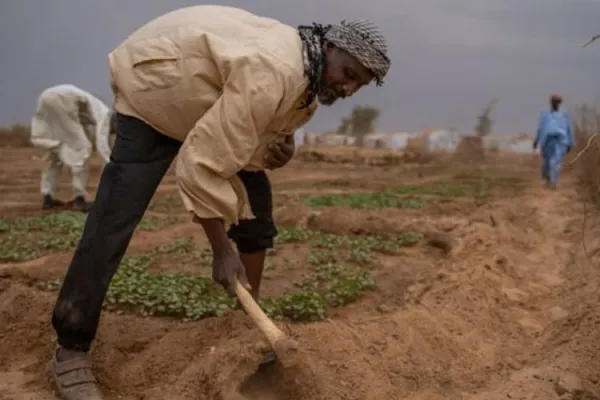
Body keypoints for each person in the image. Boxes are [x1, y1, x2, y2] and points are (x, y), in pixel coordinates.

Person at [47, 5, 390, 399]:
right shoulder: (274, 70)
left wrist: (280, 152)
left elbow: (258, 136)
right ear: (330, 47)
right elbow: (203, 161)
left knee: (257, 204)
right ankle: (70, 347)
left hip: (207, 101)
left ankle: (247, 320)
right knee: (115, 215)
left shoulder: (310, 86)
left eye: (358, 85)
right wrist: (221, 250)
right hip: (157, 91)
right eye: (348, 75)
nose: (348, 89)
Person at [30, 84, 117, 212]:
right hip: (64, 99)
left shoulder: (91, 112)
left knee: (56, 153)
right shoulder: (105, 114)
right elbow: (102, 146)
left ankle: (47, 196)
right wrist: (112, 166)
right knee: (83, 150)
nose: (112, 133)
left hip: (45, 96)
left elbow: (80, 129)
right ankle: (79, 199)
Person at [533, 94, 574, 189]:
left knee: (555, 161)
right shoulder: (545, 113)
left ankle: (554, 182)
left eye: (557, 101)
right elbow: (541, 127)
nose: (555, 103)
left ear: (560, 103)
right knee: (547, 161)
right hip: (547, 140)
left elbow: (568, 128)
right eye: (554, 101)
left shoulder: (564, 114)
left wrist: (570, 142)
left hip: (561, 141)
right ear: (551, 102)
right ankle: (545, 177)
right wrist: (536, 140)